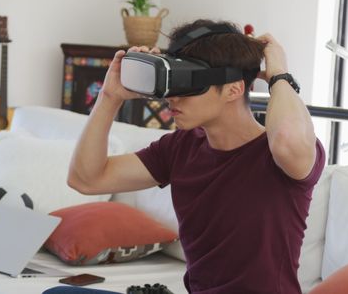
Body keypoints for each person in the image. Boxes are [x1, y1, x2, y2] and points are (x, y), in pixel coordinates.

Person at [67, 19, 325, 294]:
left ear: (234, 89)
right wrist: (110, 97)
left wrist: (279, 75)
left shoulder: (282, 156)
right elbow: (86, 179)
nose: (173, 99)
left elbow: (287, 137)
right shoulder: (181, 148)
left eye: (188, 86)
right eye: (174, 84)